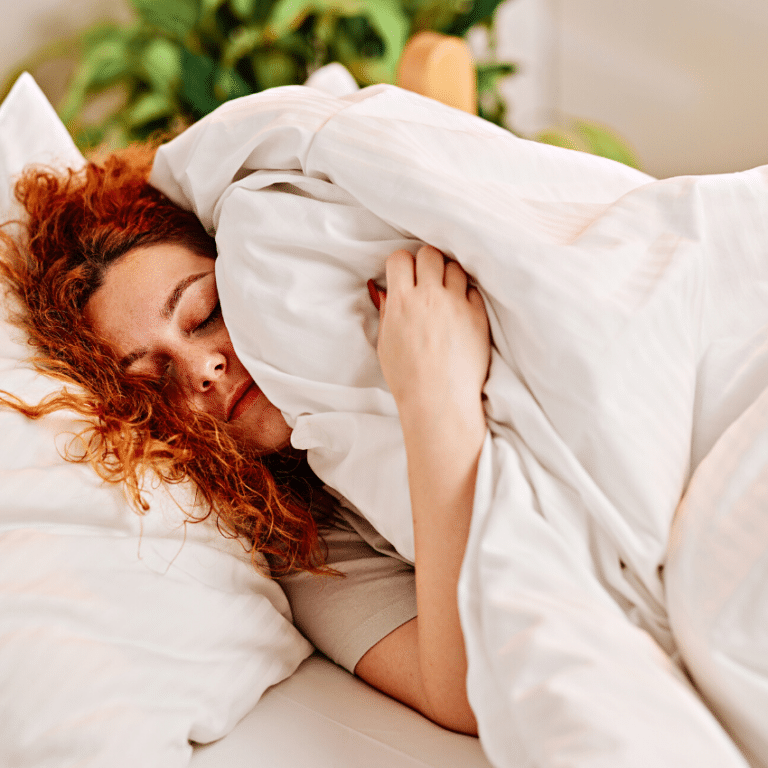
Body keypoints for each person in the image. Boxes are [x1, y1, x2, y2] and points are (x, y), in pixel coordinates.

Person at [0, 144, 489, 736]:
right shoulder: (308, 546)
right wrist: (437, 407)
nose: (202, 369)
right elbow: (460, 692)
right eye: (155, 381)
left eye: (204, 313)